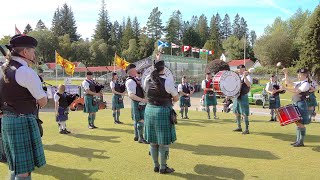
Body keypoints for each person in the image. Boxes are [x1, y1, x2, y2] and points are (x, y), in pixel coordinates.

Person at [0, 34, 47, 179]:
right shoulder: (26, 72)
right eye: (33, 51)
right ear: (25, 52)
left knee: (15, 165)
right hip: (23, 120)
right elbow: (43, 101)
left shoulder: (2, 70)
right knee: (24, 171)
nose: (34, 54)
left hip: (7, 121)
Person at [144, 53, 179, 174]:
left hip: (149, 110)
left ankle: (155, 165)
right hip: (163, 111)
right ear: (164, 68)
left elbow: (147, 92)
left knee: (153, 141)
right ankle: (163, 167)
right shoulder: (168, 81)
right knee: (163, 143)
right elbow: (176, 98)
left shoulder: (147, 79)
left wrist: (157, 60)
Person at [283, 68, 310, 147]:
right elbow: (288, 82)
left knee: (300, 123)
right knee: (297, 122)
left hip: (301, 104)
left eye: (299, 74)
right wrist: (286, 73)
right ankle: (298, 140)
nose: (298, 75)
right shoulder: (299, 82)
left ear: (304, 75)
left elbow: (296, 91)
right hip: (296, 103)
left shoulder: (306, 84)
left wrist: (286, 88)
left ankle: (301, 141)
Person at [125, 64, 148, 143]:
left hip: (139, 103)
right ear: (131, 71)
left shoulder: (134, 79)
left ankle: (136, 136)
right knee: (140, 120)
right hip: (137, 103)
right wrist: (142, 100)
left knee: (137, 120)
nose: (136, 70)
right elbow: (131, 95)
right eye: (135, 69)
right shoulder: (130, 81)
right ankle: (141, 138)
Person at [233, 65, 252, 134]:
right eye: (239, 69)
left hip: (243, 96)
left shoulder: (248, 76)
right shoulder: (236, 76)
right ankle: (239, 127)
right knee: (236, 112)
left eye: (242, 69)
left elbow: (249, 85)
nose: (240, 70)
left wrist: (244, 76)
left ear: (244, 69)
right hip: (237, 96)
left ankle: (247, 129)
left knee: (244, 113)